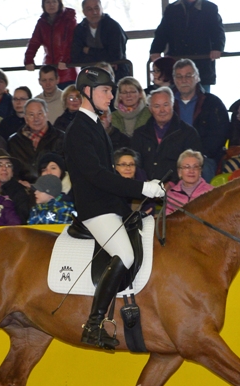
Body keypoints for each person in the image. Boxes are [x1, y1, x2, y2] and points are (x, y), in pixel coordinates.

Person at [64, 66, 165, 349]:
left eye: (111, 91)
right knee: (125, 254)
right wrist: (141, 188)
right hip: (95, 210)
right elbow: (97, 176)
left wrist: (132, 206)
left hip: (109, 205)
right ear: (87, 92)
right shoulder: (78, 130)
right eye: (106, 91)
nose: (112, 96)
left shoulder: (96, 125)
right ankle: (93, 324)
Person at [171, 59, 229, 180]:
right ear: (174, 79)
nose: (184, 80)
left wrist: (199, 156)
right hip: (173, 156)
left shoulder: (213, 103)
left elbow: (219, 134)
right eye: (179, 76)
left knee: (204, 170)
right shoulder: (166, 103)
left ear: (197, 77)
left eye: (188, 76)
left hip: (203, 157)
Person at [131, 86, 203, 184]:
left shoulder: (188, 133)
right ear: (150, 109)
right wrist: (144, 183)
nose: (162, 110)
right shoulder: (140, 134)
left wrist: (172, 183)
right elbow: (135, 163)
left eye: (165, 105)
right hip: (145, 188)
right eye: (157, 106)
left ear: (172, 105)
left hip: (178, 189)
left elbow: (194, 165)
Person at [150, 0, 225, 91]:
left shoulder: (209, 8)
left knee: (203, 97)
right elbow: (162, 32)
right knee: (175, 96)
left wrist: (217, 48)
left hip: (202, 61)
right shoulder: (172, 8)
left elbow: (218, 31)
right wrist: (155, 50)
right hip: (177, 60)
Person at [7, 98, 64, 183]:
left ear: (46, 115)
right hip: (23, 190)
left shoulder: (61, 137)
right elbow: (11, 169)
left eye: (40, 114)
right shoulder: (14, 141)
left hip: (54, 189)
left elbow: (66, 168)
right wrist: (19, 183)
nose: (36, 119)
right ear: (25, 118)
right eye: (31, 115)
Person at [71, 0, 131, 79]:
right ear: (84, 12)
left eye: (97, 8)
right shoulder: (80, 29)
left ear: (101, 9)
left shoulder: (113, 27)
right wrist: (104, 56)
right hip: (90, 74)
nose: (94, 12)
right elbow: (76, 57)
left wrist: (89, 51)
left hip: (116, 74)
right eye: (89, 9)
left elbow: (115, 56)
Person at [24, 0, 78, 88]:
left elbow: (72, 43)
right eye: (48, 2)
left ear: (59, 3)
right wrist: (29, 60)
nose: (51, 5)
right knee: (49, 100)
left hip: (67, 71)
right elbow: (34, 43)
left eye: (54, 2)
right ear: (43, 5)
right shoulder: (42, 22)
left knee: (69, 99)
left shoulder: (69, 19)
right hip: (49, 72)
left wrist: (66, 60)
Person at [0, 149, 30, 224]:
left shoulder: (20, 191)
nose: (4, 168)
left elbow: (22, 219)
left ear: (12, 172)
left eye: (8, 165)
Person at [165, 149, 213, 214]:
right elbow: (168, 221)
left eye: (195, 167)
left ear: (200, 171)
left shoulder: (211, 192)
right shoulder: (171, 195)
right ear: (179, 172)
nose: (191, 171)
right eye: (187, 167)